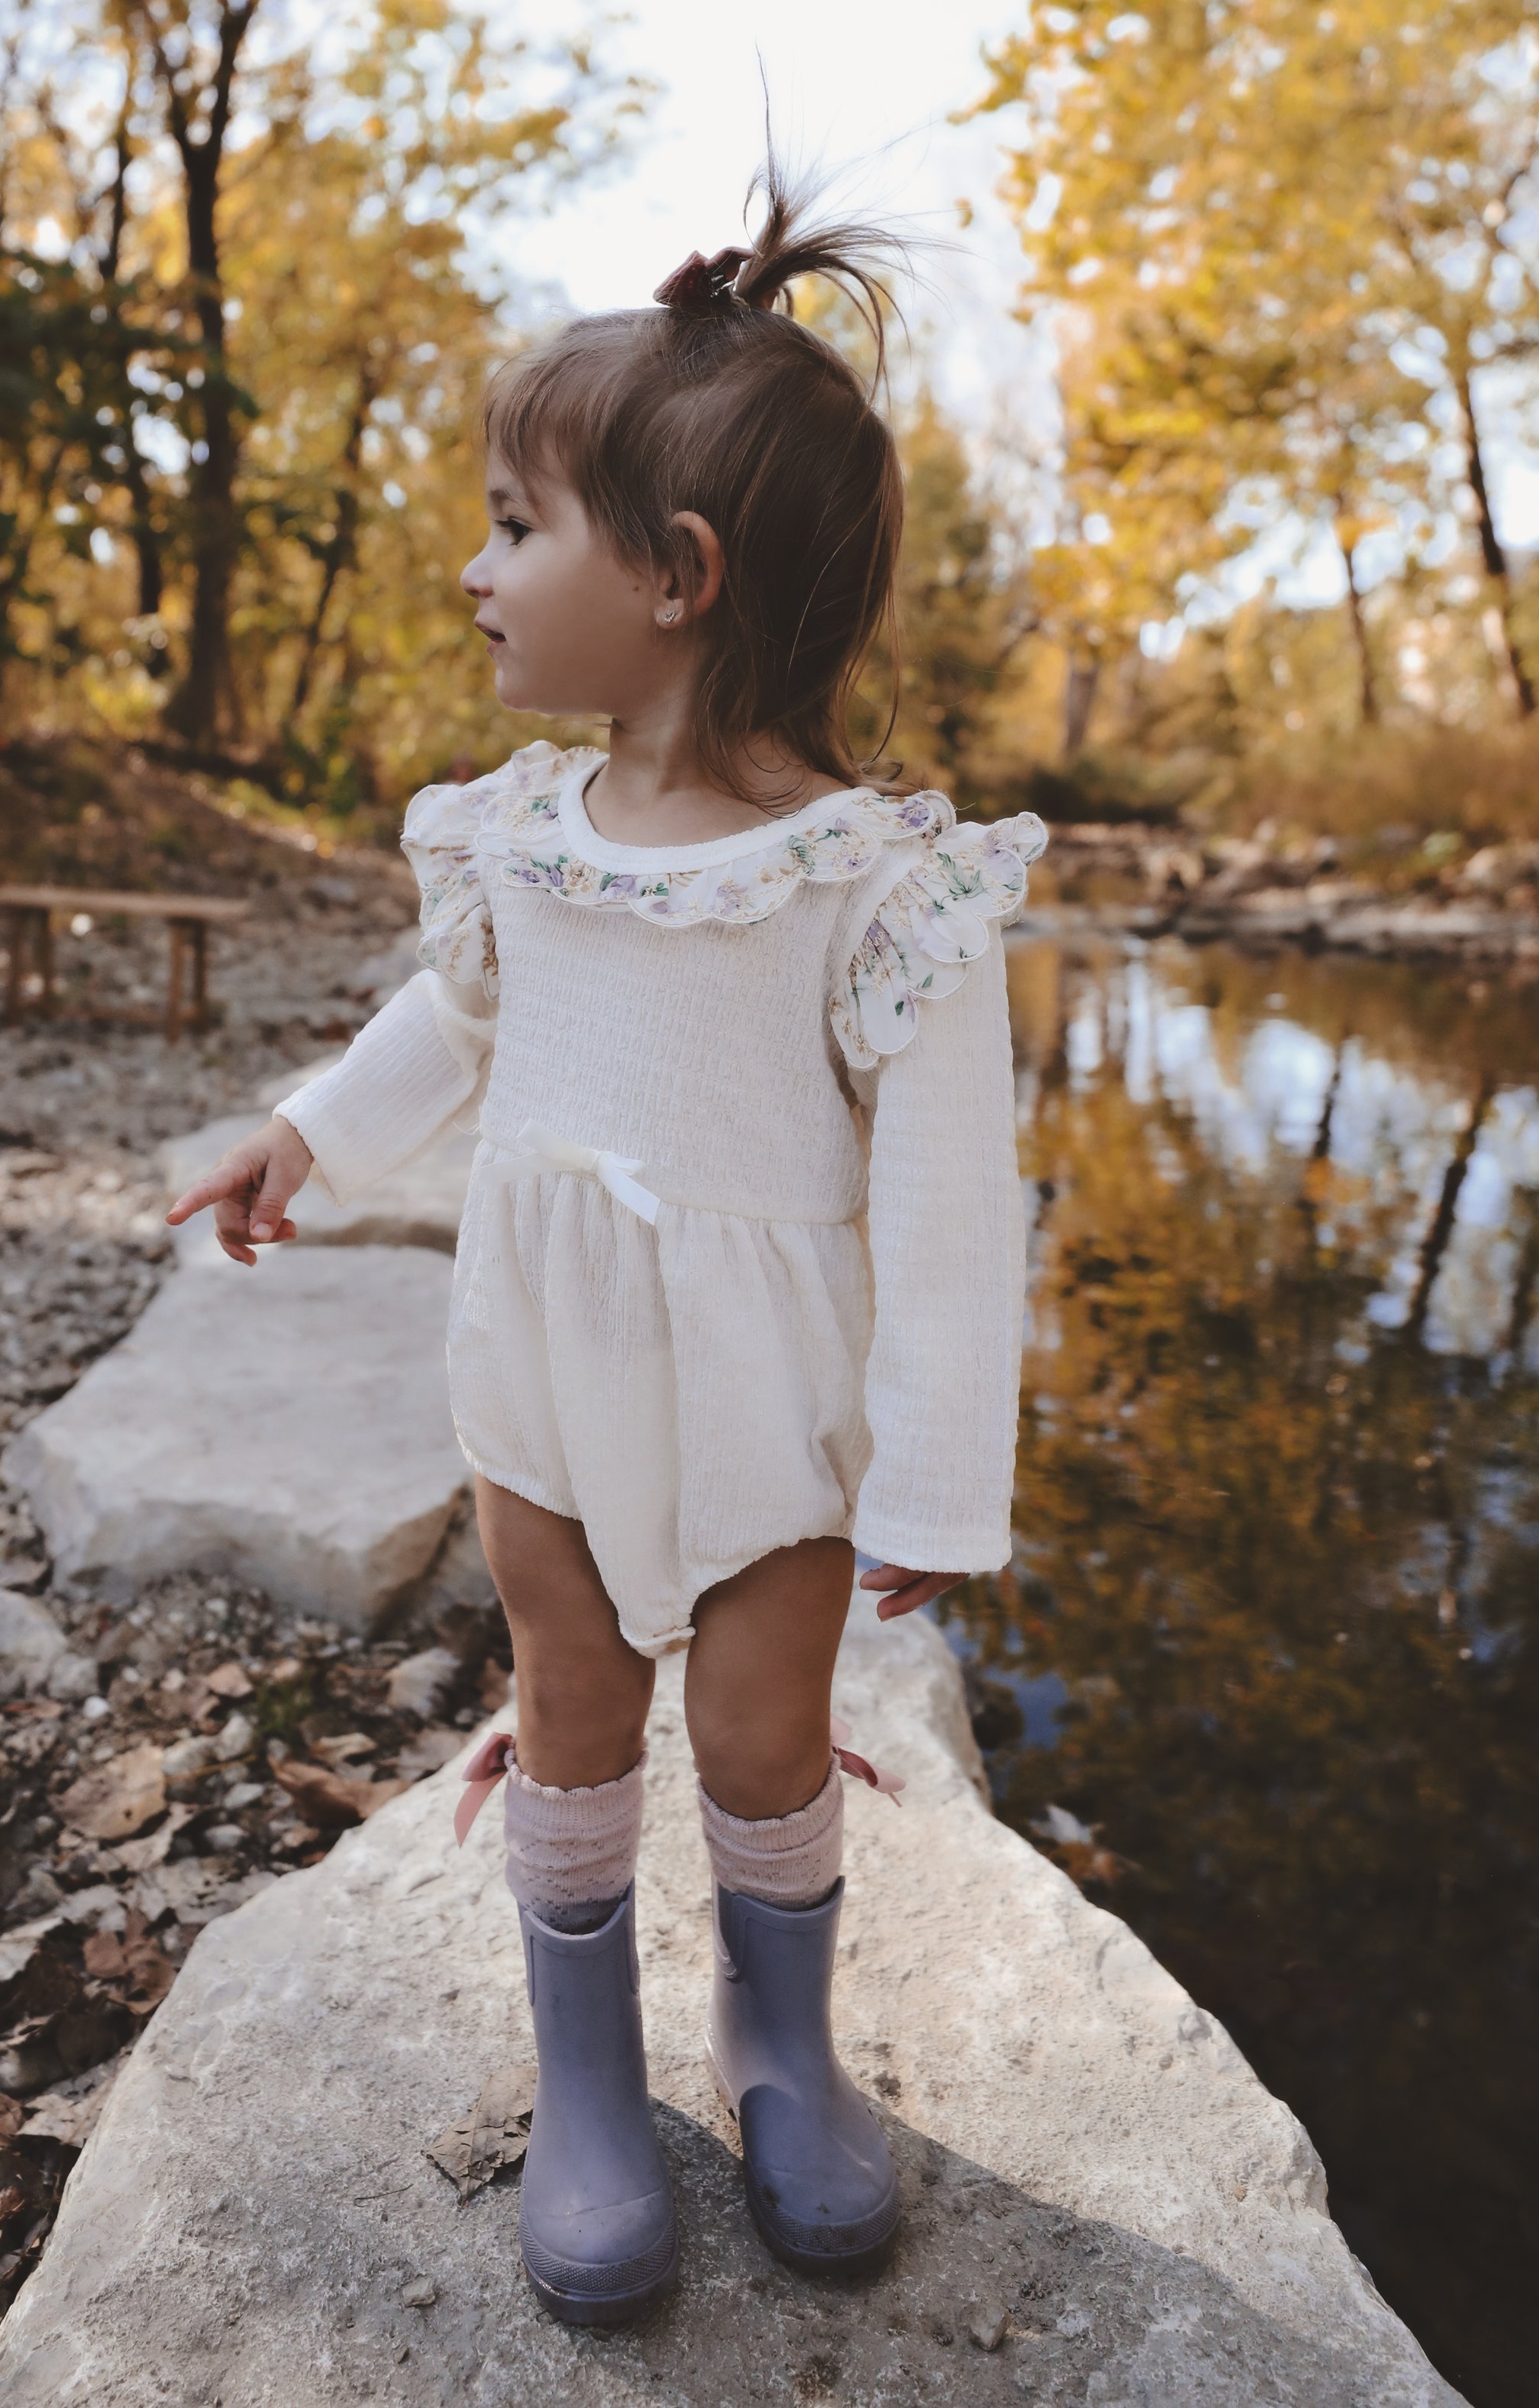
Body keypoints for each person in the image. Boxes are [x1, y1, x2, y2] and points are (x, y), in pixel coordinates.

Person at [167, 160, 1043, 2327]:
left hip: (774, 1396)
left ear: (675, 574)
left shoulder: (873, 886)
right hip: (544, 1363)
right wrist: (309, 1134)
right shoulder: (514, 841)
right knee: (573, 1700)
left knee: (755, 1732)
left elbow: (947, 1210)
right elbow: (448, 1020)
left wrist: (934, 1478)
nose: (473, 568)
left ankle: (773, 2042)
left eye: (510, 522)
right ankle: (585, 2082)